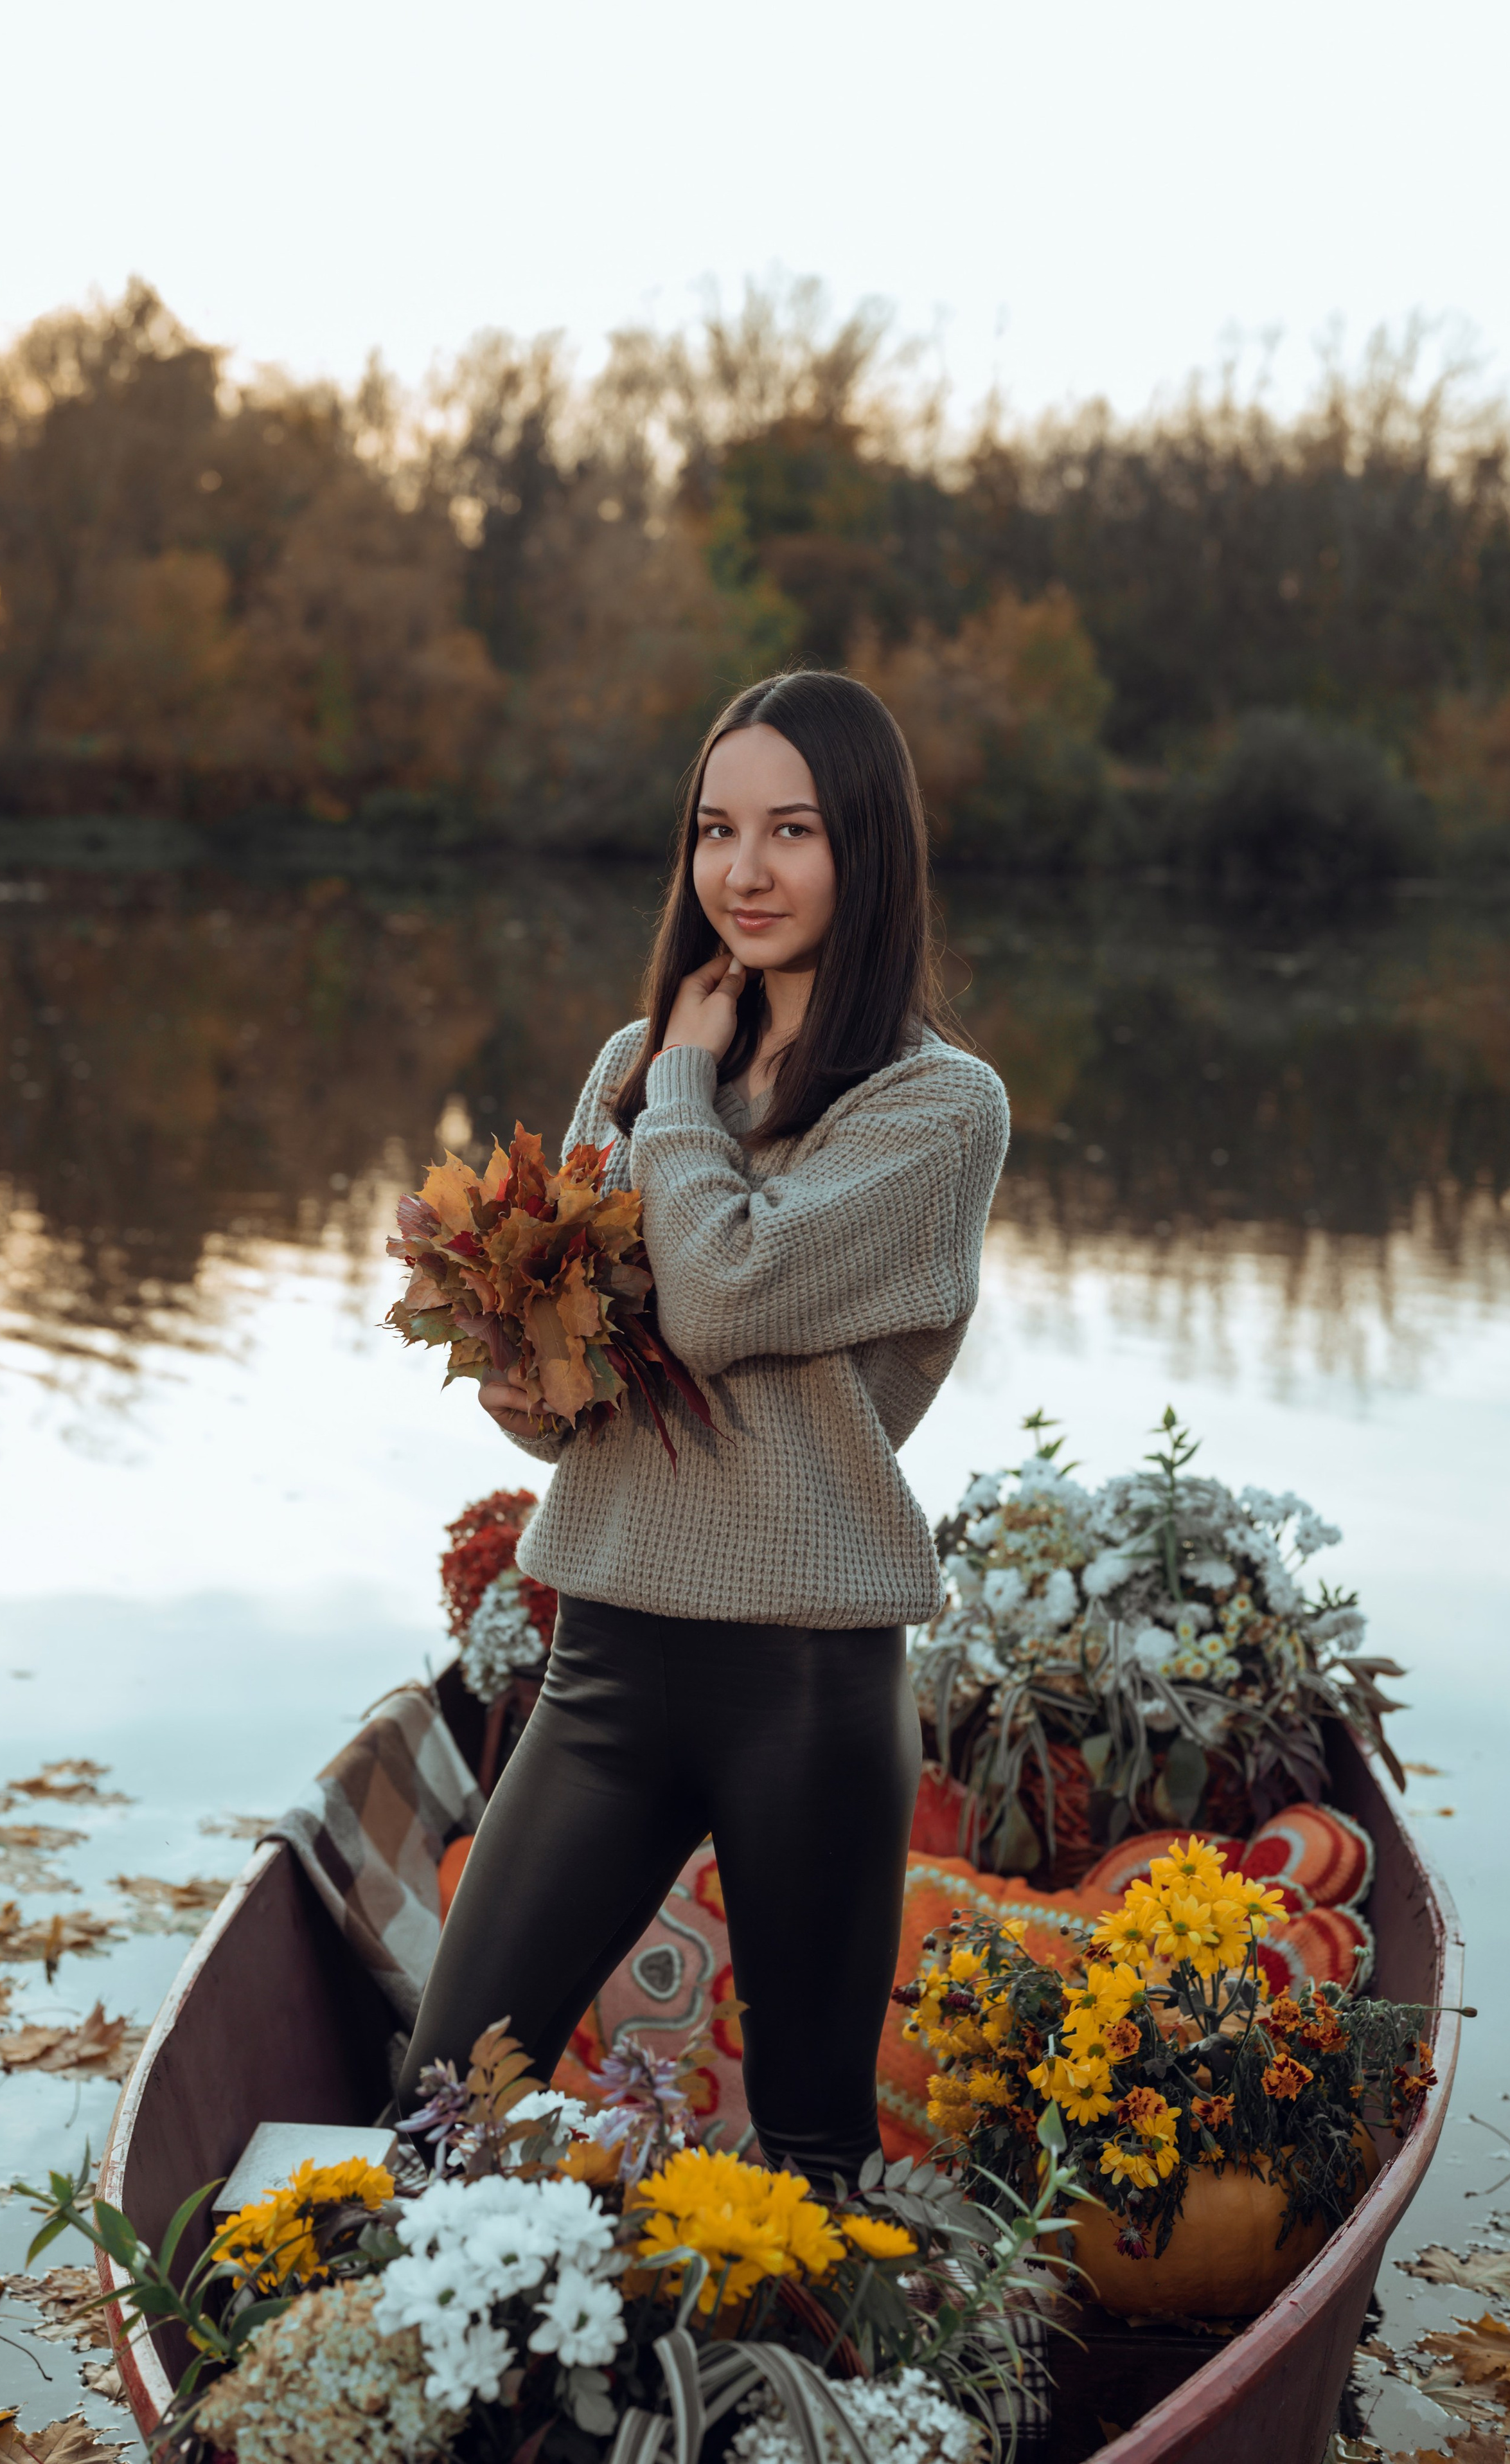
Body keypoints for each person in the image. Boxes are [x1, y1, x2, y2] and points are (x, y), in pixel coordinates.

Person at [399, 670, 1009, 2184]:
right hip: (606, 1655)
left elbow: (725, 1293)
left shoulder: (933, 1110)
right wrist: (529, 1393)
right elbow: (614, 1380)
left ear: (865, 849)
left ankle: (809, 2414)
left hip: (799, 1684)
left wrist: (681, 1078)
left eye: (790, 831)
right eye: (714, 831)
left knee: (805, 2145)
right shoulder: (634, 1063)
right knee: (442, 2102)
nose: (741, 872)